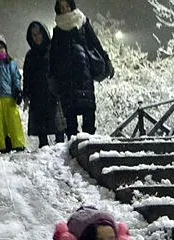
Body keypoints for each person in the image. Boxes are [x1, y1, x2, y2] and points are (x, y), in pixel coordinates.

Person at [49, 0, 113, 137]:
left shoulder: (83, 23)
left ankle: (90, 145)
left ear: (71, 6)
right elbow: (53, 57)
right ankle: (73, 150)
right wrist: (52, 77)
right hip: (66, 78)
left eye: (66, 6)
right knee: (70, 117)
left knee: (88, 110)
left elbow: (95, 43)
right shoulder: (57, 30)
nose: (65, 10)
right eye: (61, 7)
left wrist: (106, 60)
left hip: (84, 73)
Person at [23, 21, 66, 148]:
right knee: (41, 127)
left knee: (59, 126)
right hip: (37, 95)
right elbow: (27, 76)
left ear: (44, 33)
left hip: (54, 92)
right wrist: (26, 94)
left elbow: (61, 69)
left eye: (38, 34)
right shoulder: (30, 55)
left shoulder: (54, 49)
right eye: (33, 35)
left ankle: (60, 150)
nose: (36, 37)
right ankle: (44, 151)